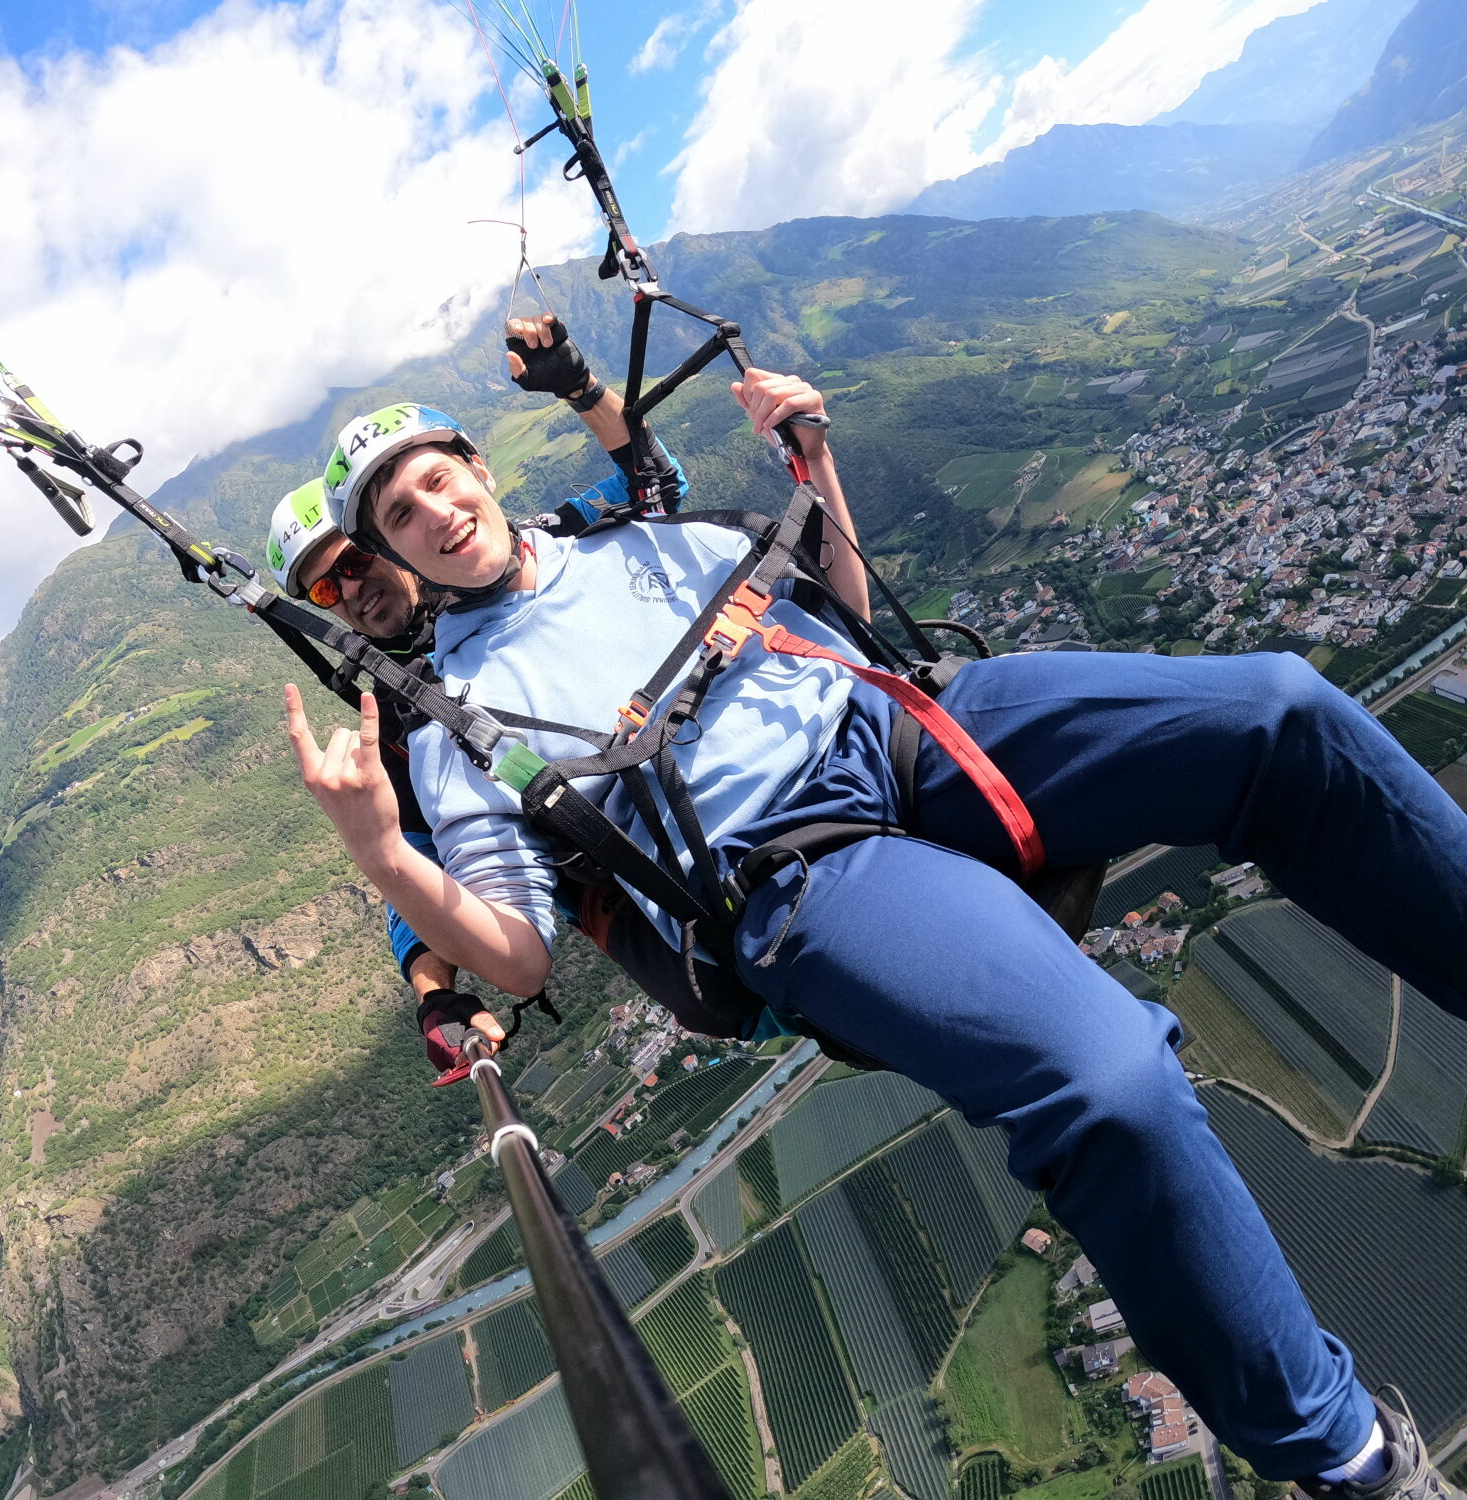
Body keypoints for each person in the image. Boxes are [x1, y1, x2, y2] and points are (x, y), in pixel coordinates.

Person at [281, 332, 1467, 1498]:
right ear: (393, 552)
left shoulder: (633, 535)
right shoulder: (453, 728)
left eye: (436, 479)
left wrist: (814, 460)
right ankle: (1345, 1459)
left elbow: (838, 611)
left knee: (1277, 715)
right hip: (801, 866)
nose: (433, 515)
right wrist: (381, 852)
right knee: (1108, 1084)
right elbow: (519, 953)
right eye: (397, 516)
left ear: (479, 469)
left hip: (903, 725)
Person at [265, 320, 764, 1076]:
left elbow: (653, 485)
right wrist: (435, 993)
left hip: (707, 775)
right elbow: (420, 866)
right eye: (327, 590)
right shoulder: (399, 722)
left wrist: (581, 389)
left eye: (358, 561)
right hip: (600, 866)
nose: (354, 590)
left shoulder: (530, 551)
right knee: (712, 996)